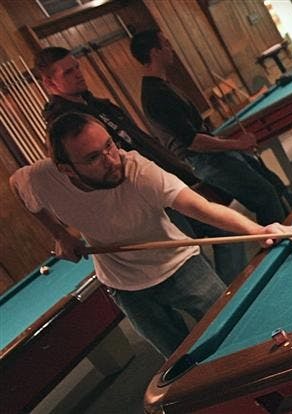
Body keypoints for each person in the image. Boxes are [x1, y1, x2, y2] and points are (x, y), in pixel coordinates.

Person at [9, 112, 292, 357]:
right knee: (180, 364)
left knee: (239, 336)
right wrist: (60, 234)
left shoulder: (140, 171)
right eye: (93, 158)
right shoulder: (41, 178)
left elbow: (200, 207)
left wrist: (258, 230)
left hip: (180, 265)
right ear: (66, 169)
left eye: (110, 146)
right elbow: (18, 187)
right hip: (125, 286)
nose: (111, 159)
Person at [34, 46, 246, 283]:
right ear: (50, 83)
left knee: (218, 237)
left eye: (77, 67)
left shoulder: (99, 105)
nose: (78, 74)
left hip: (159, 179)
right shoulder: (63, 124)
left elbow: (140, 143)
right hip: (141, 196)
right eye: (68, 72)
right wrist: (61, 234)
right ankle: (228, 297)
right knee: (193, 256)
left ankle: (230, 291)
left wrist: (178, 170)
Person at [129, 30, 292, 226]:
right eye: (166, 44)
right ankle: (279, 242)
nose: (171, 48)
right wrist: (237, 144)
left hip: (210, 157)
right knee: (265, 196)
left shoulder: (163, 86)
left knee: (273, 185)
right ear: (154, 52)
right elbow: (194, 142)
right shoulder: (156, 94)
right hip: (204, 160)